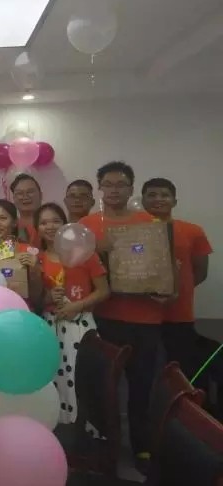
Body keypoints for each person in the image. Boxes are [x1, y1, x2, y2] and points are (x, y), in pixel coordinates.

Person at [79, 161, 160, 471]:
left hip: (145, 319)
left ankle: (142, 448)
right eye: (108, 184)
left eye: (121, 184)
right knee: (102, 387)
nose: (114, 190)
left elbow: (163, 268)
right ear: (100, 188)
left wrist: (165, 287)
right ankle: (105, 445)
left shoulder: (150, 224)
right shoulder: (86, 225)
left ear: (131, 188)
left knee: (141, 386)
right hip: (104, 317)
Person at [36, 203, 110, 424]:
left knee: (82, 378)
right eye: (43, 223)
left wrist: (76, 306)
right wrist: (49, 297)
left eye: (55, 221)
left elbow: (104, 291)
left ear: (66, 224)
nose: (50, 226)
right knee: (54, 377)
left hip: (81, 325)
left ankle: (86, 427)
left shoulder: (85, 253)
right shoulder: (37, 259)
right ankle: (59, 424)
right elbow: (37, 299)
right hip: (50, 326)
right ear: (37, 228)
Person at [142, 177, 213, 381]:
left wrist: (175, 289)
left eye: (165, 195)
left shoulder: (193, 231)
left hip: (179, 315)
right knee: (143, 373)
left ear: (174, 201)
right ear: (143, 200)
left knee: (182, 373)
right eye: (152, 195)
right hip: (141, 315)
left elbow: (200, 272)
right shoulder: (131, 232)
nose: (158, 199)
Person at [0, 199, 43, 308]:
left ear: (14, 222)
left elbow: (38, 297)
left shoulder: (28, 251)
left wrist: (35, 271)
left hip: (22, 310)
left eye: (3, 218)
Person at [10, 174, 42, 244]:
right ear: (13, 198)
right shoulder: (8, 227)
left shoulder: (52, 225)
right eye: (20, 193)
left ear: (41, 195)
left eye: (30, 192)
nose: (25, 196)